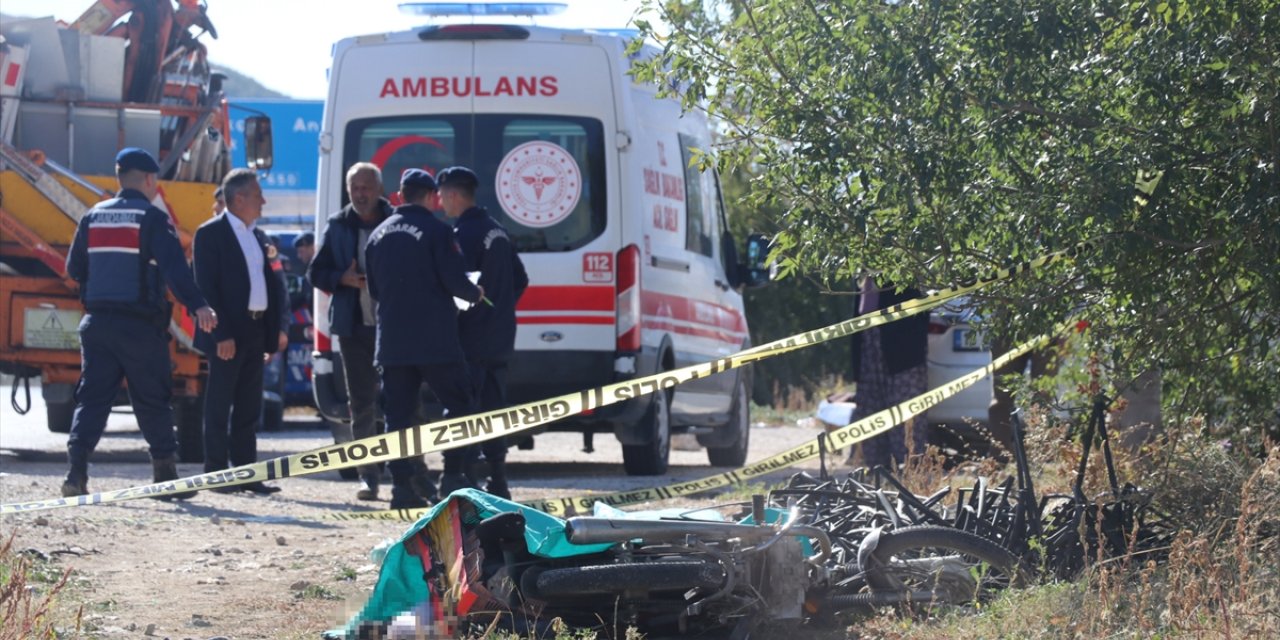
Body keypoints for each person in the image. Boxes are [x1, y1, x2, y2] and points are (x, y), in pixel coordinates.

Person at [61, 148, 218, 499]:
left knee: (93, 399)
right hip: (139, 327)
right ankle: (165, 476)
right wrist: (199, 306)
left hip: (97, 324)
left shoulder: (92, 217)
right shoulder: (152, 219)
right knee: (152, 399)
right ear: (149, 180)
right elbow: (176, 270)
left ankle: (76, 473)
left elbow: (74, 270)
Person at [366, 169, 485, 509]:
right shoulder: (438, 231)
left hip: (392, 341)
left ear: (399, 195)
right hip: (435, 341)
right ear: (431, 197)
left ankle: (402, 487)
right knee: (459, 404)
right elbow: (454, 280)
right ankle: (453, 475)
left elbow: (374, 289)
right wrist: (474, 293)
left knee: (398, 417)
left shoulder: (377, 235)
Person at [192, 168, 287, 494]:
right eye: (258, 194)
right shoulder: (210, 234)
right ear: (239, 198)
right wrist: (221, 335)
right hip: (227, 332)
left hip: (256, 328)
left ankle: (247, 473)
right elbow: (206, 288)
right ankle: (217, 474)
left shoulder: (258, 235)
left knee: (249, 405)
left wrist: (273, 333)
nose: (263, 200)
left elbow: (273, 285)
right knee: (220, 403)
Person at [436, 166, 528, 500]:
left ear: (454, 195)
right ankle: (499, 480)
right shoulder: (497, 230)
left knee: (465, 408)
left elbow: (457, 283)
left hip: (471, 338)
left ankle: (465, 477)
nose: (439, 201)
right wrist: (500, 310)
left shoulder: (463, 234)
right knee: (495, 410)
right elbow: (521, 279)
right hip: (501, 337)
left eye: (442, 194)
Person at [307, 163, 392, 501]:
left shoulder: (394, 221)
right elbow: (316, 272)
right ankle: (368, 476)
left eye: (366, 187)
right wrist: (339, 278)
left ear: (379, 189)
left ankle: (407, 473)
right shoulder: (338, 226)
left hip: (393, 327)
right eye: (354, 188)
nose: (360, 194)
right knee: (361, 404)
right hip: (353, 327)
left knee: (400, 403)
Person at [848, 277, 931, 469]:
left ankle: (910, 474)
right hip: (868, 339)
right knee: (870, 411)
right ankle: (878, 474)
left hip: (903, 346)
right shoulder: (861, 264)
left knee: (906, 418)